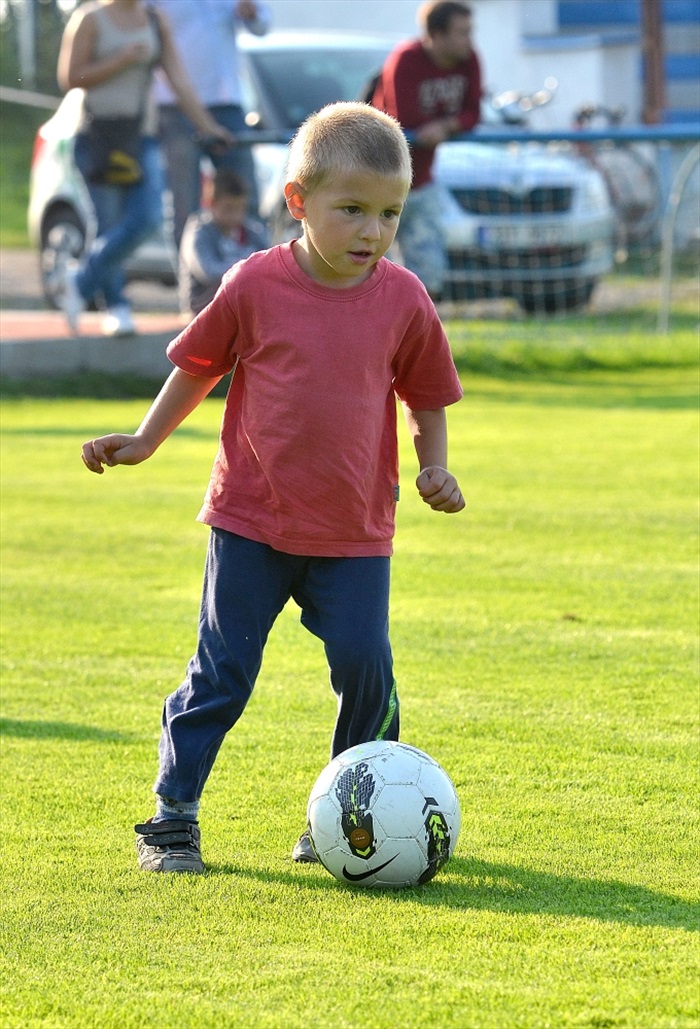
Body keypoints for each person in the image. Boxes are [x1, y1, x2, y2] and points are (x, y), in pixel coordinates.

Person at [81, 102, 465, 874]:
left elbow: (425, 392)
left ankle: (348, 811)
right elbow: (198, 367)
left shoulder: (404, 298)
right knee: (221, 673)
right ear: (299, 201)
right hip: (251, 521)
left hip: (355, 529)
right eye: (351, 210)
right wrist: (147, 440)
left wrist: (433, 463)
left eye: (389, 213)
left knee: (367, 668)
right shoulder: (255, 284)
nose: (371, 231)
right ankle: (172, 817)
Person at [57, 0, 235, 337]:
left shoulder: (154, 20)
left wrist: (207, 126)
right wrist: (120, 60)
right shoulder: (89, 19)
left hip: (141, 137)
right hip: (98, 136)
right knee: (108, 223)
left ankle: (78, 282)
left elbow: (179, 82)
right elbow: (70, 77)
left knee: (148, 218)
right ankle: (117, 307)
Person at [370, 0, 482, 299]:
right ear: (436, 34)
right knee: (374, 277)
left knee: (429, 279)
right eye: (462, 32)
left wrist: (446, 126)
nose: (469, 40)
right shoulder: (405, 59)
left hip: (422, 182)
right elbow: (403, 118)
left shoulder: (469, 60)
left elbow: (473, 112)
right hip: (380, 182)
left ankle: (420, 341)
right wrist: (441, 126)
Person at [150, 0, 271, 251]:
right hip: (175, 106)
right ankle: (191, 280)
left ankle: (254, 277)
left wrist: (252, 13)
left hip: (227, 103)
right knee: (185, 204)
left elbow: (262, 25)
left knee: (245, 197)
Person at [179, 169, 269, 318]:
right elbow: (208, 272)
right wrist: (249, 267)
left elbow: (270, 263)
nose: (236, 215)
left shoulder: (251, 230)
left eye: (241, 208)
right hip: (203, 311)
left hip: (239, 307)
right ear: (211, 204)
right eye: (229, 208)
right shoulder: (199, 231)